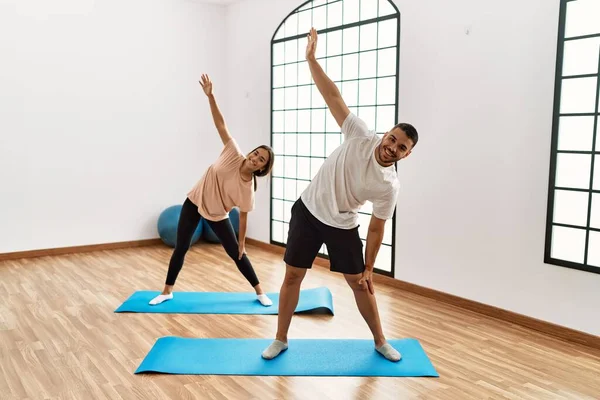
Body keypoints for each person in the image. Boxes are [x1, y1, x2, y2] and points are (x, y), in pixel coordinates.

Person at [261, 28, 419, 362]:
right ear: (386, 134)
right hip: (308, 210)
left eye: (401, 147)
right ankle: (280, 338)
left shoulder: (388, 186)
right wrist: (311, 59)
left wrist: (371, 266)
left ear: (406, 155)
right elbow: (333, 97)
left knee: (361, 283)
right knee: (293, 275)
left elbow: (377, 227)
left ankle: (380, 340)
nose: (392, 147)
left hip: (343, 223)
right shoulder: (360, 135)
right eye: (392, 139)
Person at [149, 74, 275, 307]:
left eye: (261, 160)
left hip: (217, 215)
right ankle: (167, 291)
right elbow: (220, 124)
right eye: (257, 153)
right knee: (181, 247)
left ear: (263, 168)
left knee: (237, 253)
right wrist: (211, 96)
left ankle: (259, 292)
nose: (256, 158)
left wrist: (242, 242)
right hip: (194, 202)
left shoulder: (248, 189)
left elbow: (244, 216)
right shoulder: (232, 152)